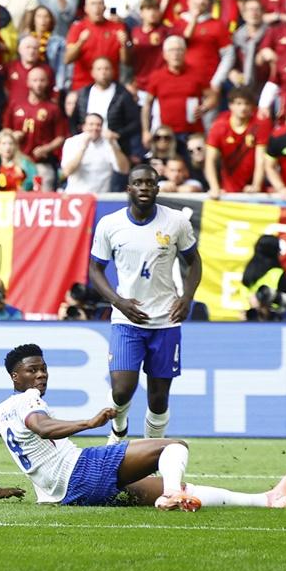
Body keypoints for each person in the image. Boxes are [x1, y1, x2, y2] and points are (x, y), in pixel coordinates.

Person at [0, 343, 286, 510]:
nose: (41, 375)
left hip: (60, 496)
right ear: (15, 376)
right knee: (173, 447)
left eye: (44, 368)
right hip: (80, 472)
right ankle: (171, 493)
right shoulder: (29, 400)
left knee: (168, 485)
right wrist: (89, 422)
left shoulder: (0, 412)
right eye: (32, 370)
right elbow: (43, 427)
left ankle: (265, 499)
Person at [88, 164, 202, 443]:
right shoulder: (110, 224)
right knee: (121, 391)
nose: (144, 188)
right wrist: (118, 301)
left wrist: (187, 297)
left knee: (159, 397)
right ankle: (119, 429)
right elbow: (95, 269)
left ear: (157, 188)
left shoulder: (175, 222)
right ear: (129, 188)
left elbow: (194, 261)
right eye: (138, 183)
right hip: (128, 320)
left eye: (150, 183)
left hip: (166, 320)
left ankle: (151, 453)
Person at [61, 112, 130, 193]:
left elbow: (125, 169)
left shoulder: (109, 142)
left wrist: (113, 145)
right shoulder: (72, 142)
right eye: (91, 124)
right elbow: (67, 171)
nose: (95, 128)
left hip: (100, 197)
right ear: (84, 127)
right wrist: (83, 149)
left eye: (98, 125)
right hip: (77, 196)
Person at [240, 235, 286, 322]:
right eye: (278, 249)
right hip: (273, 320)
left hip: (247, 319)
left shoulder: (248, 272)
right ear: (274, 251)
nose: (280, 252)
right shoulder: (277, 273)